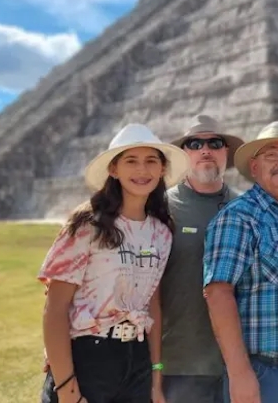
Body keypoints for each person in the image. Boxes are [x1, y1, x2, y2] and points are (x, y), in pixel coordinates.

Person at [160, 115, 278, 403]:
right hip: (222, 365)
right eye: (272, 155)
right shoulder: (234, 215)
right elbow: (217, 291)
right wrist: (240, 372)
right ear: (255, 167)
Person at [38, 123, 189, 403]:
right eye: (131, 161)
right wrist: (66, 387)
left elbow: (151, 304)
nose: (142, 170)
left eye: (150, 161)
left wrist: (156, 379)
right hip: (87, 358)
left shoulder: (161, 233)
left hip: (137, 361)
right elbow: (55, 308)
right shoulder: (87, 225)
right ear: (114, 169)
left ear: (162, 169)